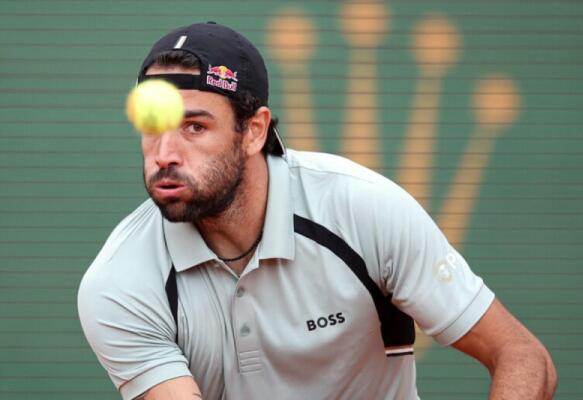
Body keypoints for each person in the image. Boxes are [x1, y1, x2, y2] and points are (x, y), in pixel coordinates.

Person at [77, 22, 557, 400]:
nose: (164, 154)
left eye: (195, 128)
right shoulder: (120, 282)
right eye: (152, 126)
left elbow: (521, 355)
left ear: (254, 131)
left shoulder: (364, 208)